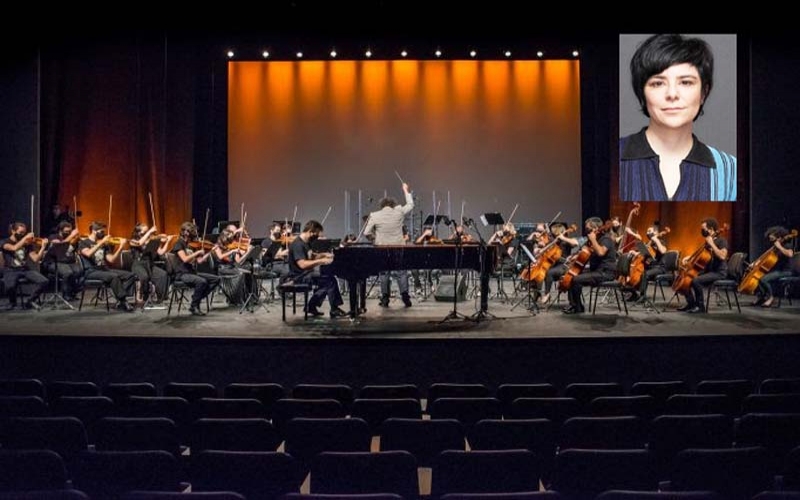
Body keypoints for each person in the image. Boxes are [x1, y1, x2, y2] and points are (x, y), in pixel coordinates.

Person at [620, 34, 736, 201]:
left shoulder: (729, 170)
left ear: (703, 93)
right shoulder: (616, 160)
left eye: (686, 82)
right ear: (642, 93)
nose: (672, 94)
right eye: (658, 83)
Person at [364, 181, 414, 308]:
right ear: (393, 205)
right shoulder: (399, 212)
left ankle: (385, 298)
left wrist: (375, 239)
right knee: (401, 272)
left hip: (382, 248)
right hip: (398, 247)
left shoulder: (374, 215)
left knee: (384, 273)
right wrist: (405, 190)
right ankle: (405, 297)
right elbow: (411, 204)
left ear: (381, 206)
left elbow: (366, 232)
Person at [286, 220, 347, 318]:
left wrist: (324, 255)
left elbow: (311, 256)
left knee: (328, 280)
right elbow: (302, 264)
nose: (317, 237)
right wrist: (322, 261)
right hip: (299, 276)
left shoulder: (306, 243)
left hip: (307, 274)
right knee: (330, 281)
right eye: (317, 234)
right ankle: (332, 309)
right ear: (311, 231)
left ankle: (312, 306)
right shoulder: (298, 244)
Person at [78, 221, 137, 312]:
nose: (103, 234)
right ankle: (123, 301)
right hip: (91, 271)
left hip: (104, 269)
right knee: (113, 276)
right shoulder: (83, 243)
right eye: (101, 232)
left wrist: (120, 247)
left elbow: (111, 260)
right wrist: (101, 243)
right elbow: (88, 254)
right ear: (94, 231)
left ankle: (121, 300)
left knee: (130, 275)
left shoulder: (104, 244)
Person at [563, 217, 617, 314]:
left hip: (606, 273)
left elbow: (600, 252)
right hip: (597, 271)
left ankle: (577, 307)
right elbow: (587, 252)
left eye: (588, 228)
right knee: (572, 275)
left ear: (596, 228)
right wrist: (574, 257)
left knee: (575, 279)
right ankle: (575, 305)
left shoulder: (606, 239)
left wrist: (593, 239)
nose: (586, 230)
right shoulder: (595, 239)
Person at [677, 218, 728, 313]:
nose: (702, 231)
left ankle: (700, 307)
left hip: (718, 272)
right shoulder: (707, 241)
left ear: (711, 229)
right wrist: (689, 257)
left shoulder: (722, 241)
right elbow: (701, 254)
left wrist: (712, 244)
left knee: (696, 281)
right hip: (708, 271)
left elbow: (722, 256)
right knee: (686, 279)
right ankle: (691, 304)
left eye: (703, 229)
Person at [171, 222, 219, 316]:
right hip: (182, 274)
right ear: (185, 232)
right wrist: (196, 253)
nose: (192, 235)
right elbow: (185, 259)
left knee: (216, 279)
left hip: (191, 272)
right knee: (202, 281)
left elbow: (200, 261)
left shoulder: (190, 245)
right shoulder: (179, 243)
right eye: (190, 232)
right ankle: (194, 306)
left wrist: (209, 252)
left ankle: (197, 298)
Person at [1, 222, 49, 309]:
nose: (23, 235)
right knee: (10, 286)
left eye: (24, 233)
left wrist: (43, 247)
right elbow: (14, 248)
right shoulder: (4, 242)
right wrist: (25, 238)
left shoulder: (27, 244)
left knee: (44, 281)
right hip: (10, 269)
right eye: (20, 233)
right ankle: (12, 303)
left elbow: (36, 259)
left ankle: (30, 301)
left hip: (24, 269)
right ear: (13, 231)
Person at [752, 226, 795, 308]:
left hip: (786, 271)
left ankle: (771, 297)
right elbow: (765, 258)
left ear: (779, 236)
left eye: (772, 235)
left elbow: (790, 254)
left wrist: (779, 247)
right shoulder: (774, 246)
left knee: (764, 279)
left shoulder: (787, 245)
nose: (770, 236)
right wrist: (756, 263)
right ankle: (762, 297)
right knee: (757, 277)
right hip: (776, 270)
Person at [129, 223, 172, 305]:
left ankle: (160, 297)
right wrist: (150, 232)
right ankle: (142, 296)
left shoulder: (151, 240)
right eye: (145, 232)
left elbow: (161, 252)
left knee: (163, 274)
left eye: (147, 231)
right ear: (138, 232)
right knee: (144, 276)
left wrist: (168, 242)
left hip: (149, 264)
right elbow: (139, 243)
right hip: (138, 264)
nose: (147, 233)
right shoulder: (132, 241)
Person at [627, 222, 668, 303]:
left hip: (659, 267)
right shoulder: (649, 243)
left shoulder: (660, 241)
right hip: (650, 266)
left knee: (644, 274)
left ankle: (643, 296)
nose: (647, 233)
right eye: (647, 232)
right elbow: (645, 254)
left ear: (655, 232)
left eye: (649, 231)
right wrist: (636, 253)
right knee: (628, 270)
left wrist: (656, 240)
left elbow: (663, 251)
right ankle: (634, 293)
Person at [539, 223, 579, 305]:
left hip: (564, 266)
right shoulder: (554, 241)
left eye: (554, 232)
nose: (552, 234)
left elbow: (576, 243)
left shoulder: (565, 241)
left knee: (549, 272)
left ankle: (547, 294)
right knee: (541, 271)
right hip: (555, 265)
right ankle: (537, 294)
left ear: (558, 232)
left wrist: (563, 237)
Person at [46, 220, 83, 301]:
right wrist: (72, 235)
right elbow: (61, 245)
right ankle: (66, 294)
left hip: (69, 262)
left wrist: (78, 241)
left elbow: (75, 251)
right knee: (68, 272)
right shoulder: (53, 237)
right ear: (60, 230)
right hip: (55, 262)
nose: (69, 233)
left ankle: (73, 292)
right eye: (66, 231)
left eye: (70, 231)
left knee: (79, 271)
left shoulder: (72, 238)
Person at [212, 228, 249, 306]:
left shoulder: (230, 245)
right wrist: (232, 251)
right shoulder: (217, 246)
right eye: (229, 236)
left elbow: (238, 261)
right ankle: (235, 297)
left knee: (246, 271)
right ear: (224, 236)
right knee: (240, 273)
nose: (231, 239)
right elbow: (220, 257)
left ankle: (244, 297)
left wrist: (246, 253)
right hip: (223, 269)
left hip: (231, 267)